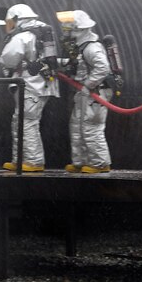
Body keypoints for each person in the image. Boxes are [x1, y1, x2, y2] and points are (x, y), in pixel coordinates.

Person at [0, 4, 60, 172]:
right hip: (41, 85)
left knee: (27, 122)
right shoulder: (40, 33)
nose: (8, 26)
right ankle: (21, 161)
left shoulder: (23, 36)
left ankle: (32, 162)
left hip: (31, 87)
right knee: (22, 121)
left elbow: (8, 59)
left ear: (18, 19)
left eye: (10, 22)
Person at [56, 9, 112, 173]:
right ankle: (80, 162)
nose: (66, 33)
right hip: (85, 93)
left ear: (80, 30)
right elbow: (76, 64)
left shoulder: (92, 48)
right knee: (76, 125)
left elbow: (103, 68)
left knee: (91, 127)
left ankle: (100, 163)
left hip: (95, 93)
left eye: (69, 30)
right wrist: (55, 62)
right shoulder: (81, 47)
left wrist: (88, 85)